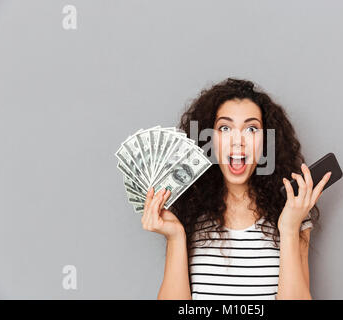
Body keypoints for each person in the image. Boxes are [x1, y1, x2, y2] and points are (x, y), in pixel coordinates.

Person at [141, 78, 332, 300]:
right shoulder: (188, 210)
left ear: (267, 142)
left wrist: (289, 229)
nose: (238, 141)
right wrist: (175, 237)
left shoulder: (293, 209)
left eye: (251, 129)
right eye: (225, 127)